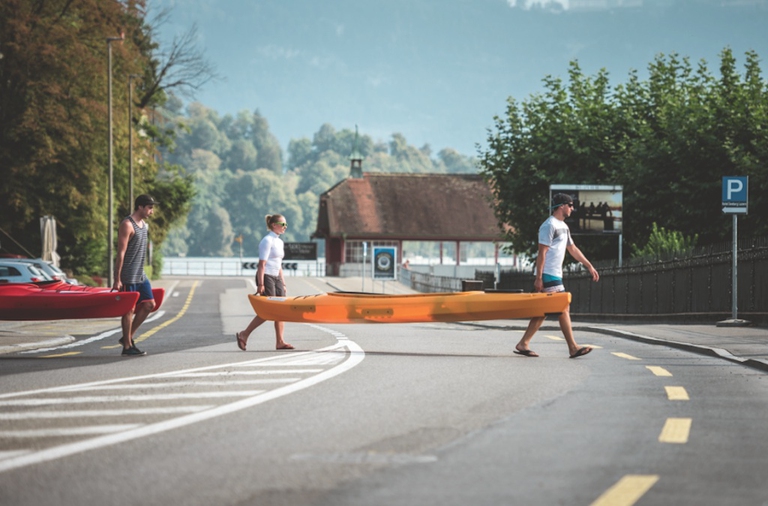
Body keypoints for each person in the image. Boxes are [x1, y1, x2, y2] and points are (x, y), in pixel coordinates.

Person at [514, 193, 599, 359]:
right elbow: (542, 253)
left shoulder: (564, 227)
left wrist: (589, 266)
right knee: (562, 307)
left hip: (554, 274)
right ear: (562, 206)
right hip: (548, 274)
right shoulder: (549, 225)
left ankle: (523, 343)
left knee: (542, 311)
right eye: (570, 205)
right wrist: (539, 278)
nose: (572, 209)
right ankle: (573, 347)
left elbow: (573, 249)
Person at [235, 214, 294, 351]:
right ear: (274, 225)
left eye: (286, 224)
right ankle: (244, 334)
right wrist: (260, 284)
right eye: (283, 224)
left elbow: (279, 265)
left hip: (277, 277)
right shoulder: (267, 241)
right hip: (266, 276)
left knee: (281, 310)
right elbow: (262, 264)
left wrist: (283, 283)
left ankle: (280, 341)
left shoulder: (280, 242)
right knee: (269, 311)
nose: (285, 227)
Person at [113, 194, 158, 357]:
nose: (152, 211)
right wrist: (117, 279)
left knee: (149, 304)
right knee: (128, 310)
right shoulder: (127, 224)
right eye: (150, 208)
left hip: (140, 274)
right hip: (128, 275)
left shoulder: (144, 225)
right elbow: (121, 253)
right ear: (140, 207)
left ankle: (128, 337)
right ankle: (127, 346)